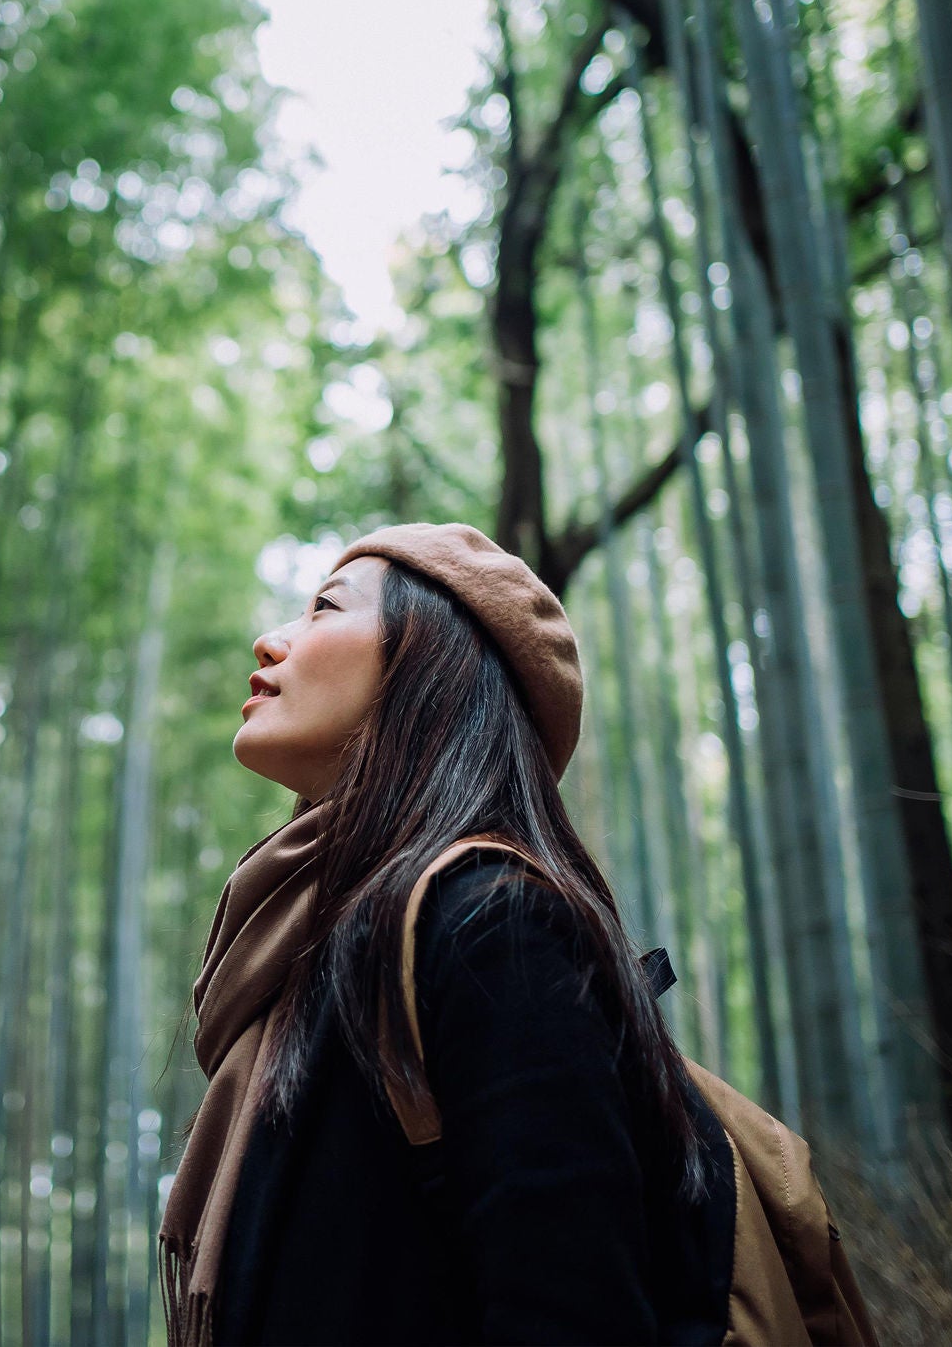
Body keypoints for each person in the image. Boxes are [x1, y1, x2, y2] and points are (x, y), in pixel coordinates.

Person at [159, 522, 740, 1347]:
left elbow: (572, 1316)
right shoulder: (303, 967)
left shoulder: (489, 924)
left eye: (323, 607)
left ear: (428, 662)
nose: (272, 637)